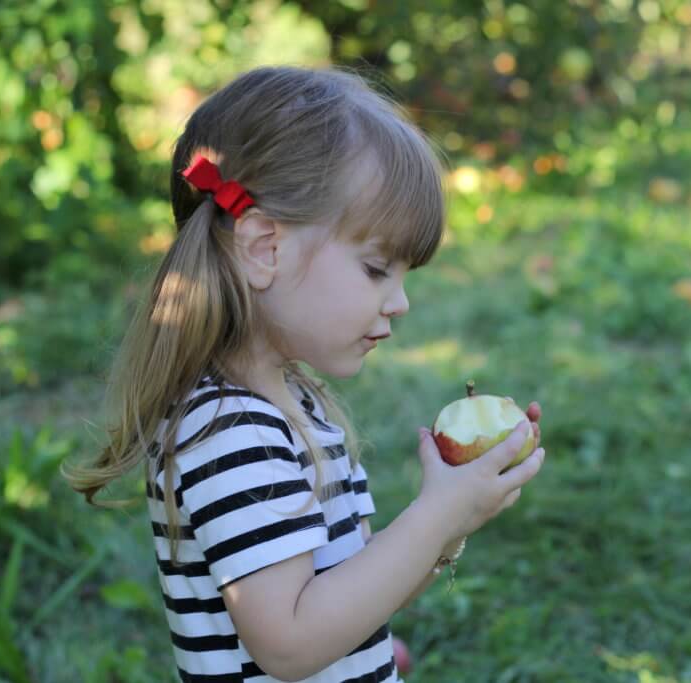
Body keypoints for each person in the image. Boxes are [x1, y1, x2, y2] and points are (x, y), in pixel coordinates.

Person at [63, 65, 546, 683]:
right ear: (265, 248)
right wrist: (435, 516)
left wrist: (454, 521)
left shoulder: (293, 406)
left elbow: (355, 591)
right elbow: (288, 644)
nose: (398, 302)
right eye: (377, 270)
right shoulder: (229, 432)